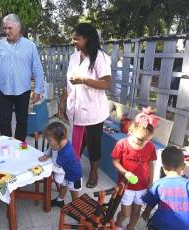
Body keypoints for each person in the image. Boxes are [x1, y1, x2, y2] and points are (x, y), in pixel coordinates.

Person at [62, 23, 111, 188]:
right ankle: (74, 167)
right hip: (75, 108)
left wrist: (84, 80)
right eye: (73, 38)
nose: (74, 41)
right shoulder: (74, 57)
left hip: (93, 110)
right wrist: (63, 101)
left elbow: (106, 84)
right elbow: (68, 82)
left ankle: (94, 172)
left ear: (87, 39)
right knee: (77, 140)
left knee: (93, 142)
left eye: (77, 39)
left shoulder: (100, 57)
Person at [0, 13, 44, 142]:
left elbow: (37, 69)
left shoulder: (30, 46)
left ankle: (19, 147)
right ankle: (6, 148)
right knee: (4, 122)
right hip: (3, 90)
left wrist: (38, 90)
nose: (7, 31)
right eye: (5, 28)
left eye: (10, 28)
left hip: (23, 90)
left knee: (22, 121)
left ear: (18, 27)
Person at [111, 107, 160, 230]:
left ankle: (131, 227)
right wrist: (125, 173)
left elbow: (150, 164)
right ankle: (118, 224)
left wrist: (150, 181)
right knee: (125, 212)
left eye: (146, 141)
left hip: (142, 186)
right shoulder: (122, 144)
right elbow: (115, 162)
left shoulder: (150, 147)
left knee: (136, 211)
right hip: (125, 185)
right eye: (139, 139)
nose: (141, 143)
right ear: (131, 129)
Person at [141, 146, 189, 230]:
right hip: (186, 226)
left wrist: (145, 215)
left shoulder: (158, 184)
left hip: (162, 225)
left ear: (163, 167)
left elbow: (149, 205)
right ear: (184, 166)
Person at [38, 122, 82, 208]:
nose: (49, 143)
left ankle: (76, 208)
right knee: (63, 185)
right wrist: (47, 155)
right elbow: (51, 148)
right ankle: (60, 201)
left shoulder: (65, 152)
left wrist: (54, 150)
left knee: (74, 191)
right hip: (66, 172)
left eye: (50, 140)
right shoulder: (61, 143)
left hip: (74, 175)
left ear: (58, 139)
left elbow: (56, 164)